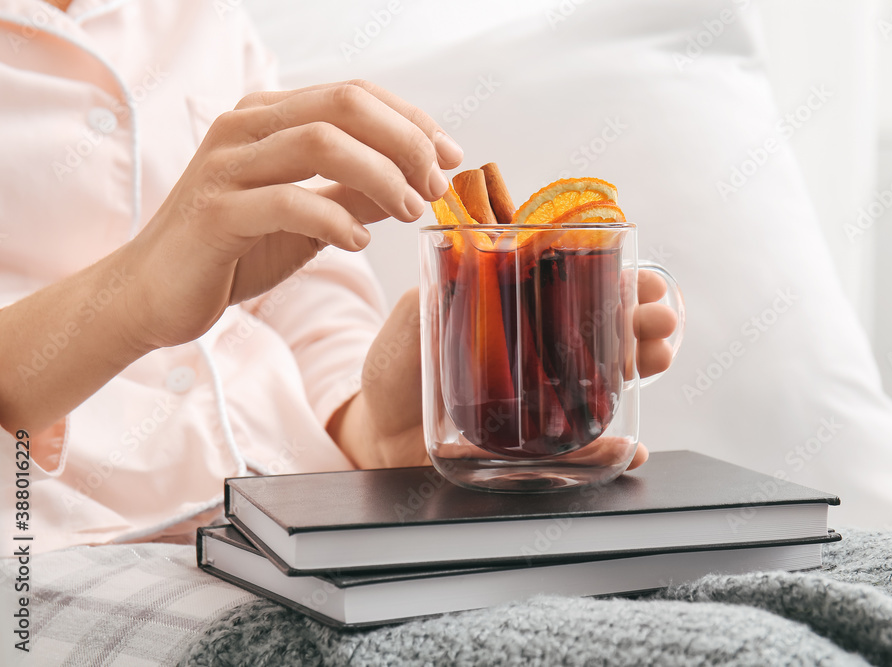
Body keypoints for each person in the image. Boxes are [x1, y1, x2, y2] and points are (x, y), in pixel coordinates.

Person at [0, 0, 677, 553]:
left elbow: (293, 281)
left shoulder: (208, 18)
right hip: (62, 549)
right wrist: (133, 299)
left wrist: (379, 424)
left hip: (313, 521)